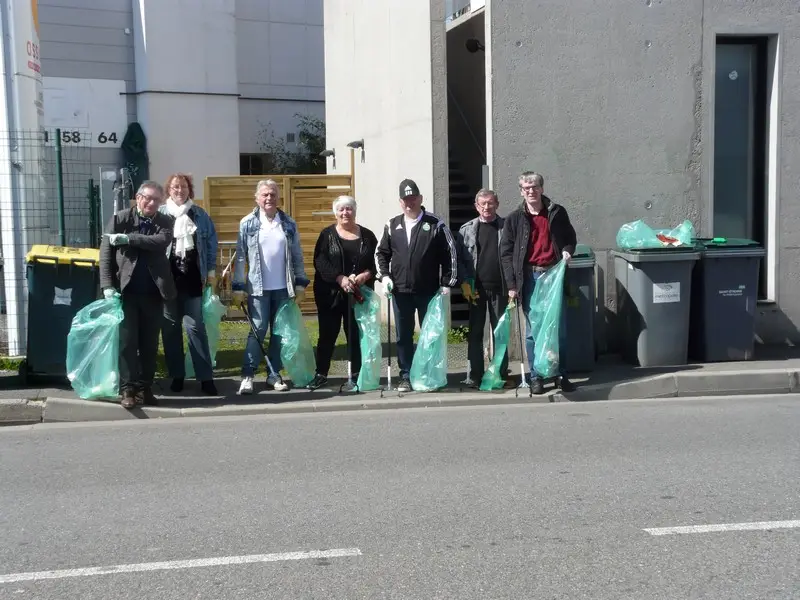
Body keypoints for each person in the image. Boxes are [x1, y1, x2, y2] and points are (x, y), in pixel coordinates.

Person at [375, 178, 458, 392]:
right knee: (403, 335)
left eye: (413, 198)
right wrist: (384, 277)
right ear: (400, 202)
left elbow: (450, 254)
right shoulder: (392, 225)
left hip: (428, 291)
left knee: (430, 334)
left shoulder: (436, 223)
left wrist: (447, 282)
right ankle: (406, 375)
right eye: (405, 200)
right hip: (400, 291)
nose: (409, 203)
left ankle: (428, 373)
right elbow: (381, 254)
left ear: (420, 199)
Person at [100, 181, 176, 409]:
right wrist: (107, 286)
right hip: (126, 293)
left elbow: (160, 242)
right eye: (148, 198)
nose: (152, 203)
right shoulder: (119, 219)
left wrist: (129, 239)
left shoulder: (165, 221)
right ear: (138, 197)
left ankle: (146, 388)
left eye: (156, 200)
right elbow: (105, 255)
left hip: (153, 293)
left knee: (150, 343)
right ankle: (128, 389)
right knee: (127, 343)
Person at [500, 171, 577, 395]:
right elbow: (505, 252)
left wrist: (566, 251)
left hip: (553, 274)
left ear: (542, 188)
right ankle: (537, 376)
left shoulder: (557, 212)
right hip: (529, 277)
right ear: (521, 191)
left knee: (557, 329)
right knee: (534, 331)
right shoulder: (515, 218)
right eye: (526, 188)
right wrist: (512, 285)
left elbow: (570, 238)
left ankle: (560, 375)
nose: (531, 191)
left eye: (534, 187)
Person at [231, 179, 309, 394]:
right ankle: (248, 375)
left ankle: (274, 375)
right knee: (258, 329)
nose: (269, 198)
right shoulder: (247, 223)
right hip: (258, 289)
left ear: (278, 197)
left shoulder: (289, 224)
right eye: (264, 194)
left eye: (273, 194)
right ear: (257, 198)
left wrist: (301, 284)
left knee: (279, 332)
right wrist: (238, 287)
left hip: (283, 288)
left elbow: (297, 256)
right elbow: (240, 258)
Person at [307, 195, 378, 390]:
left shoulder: (368, 236)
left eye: (349, 209)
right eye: (341, 209)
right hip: (330, 295)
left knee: (355, 335)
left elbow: (376, 263)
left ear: (355, 211)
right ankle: (321, 374)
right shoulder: (326, 235)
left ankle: (356, 375)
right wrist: (340, 278)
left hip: (357, 295)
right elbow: (320, 261)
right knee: (327, 336)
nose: (345, 213)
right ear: (335, 213)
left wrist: (364, 276)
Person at [159, 173, 219, 396]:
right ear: (169, 190)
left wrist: (211, 273)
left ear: (189, 190)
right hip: (167, 280)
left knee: (195, 328)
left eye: (183, 187)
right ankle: (177, 376)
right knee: (170, 329)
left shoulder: (199, 215)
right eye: (175, 187)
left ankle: (205, 378)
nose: (179, 191)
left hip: (193, 278)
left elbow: (211, 244)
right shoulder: (161, 214)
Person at [455, 189, 512, 388]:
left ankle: (500, 374)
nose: (486, 207)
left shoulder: (507, 227)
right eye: (482, 204)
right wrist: (464, 283)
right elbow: (460, 260)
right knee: (475, 333)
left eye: (490, 203)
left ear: (497, 204)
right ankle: (475, 375)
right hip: (475, 289)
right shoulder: (467, 229)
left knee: (500, 333)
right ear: (476, 206)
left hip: (500, 288)